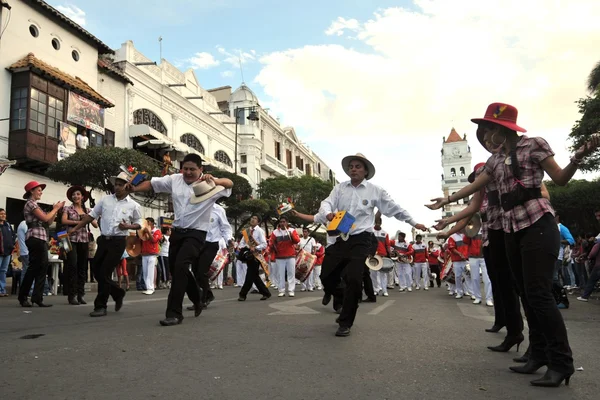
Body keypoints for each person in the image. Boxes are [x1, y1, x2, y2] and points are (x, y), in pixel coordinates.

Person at [428, 102, 600, 387]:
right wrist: (446, 201)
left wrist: (578, 158)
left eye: (490, 130)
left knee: (539, 293)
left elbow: (560, 178)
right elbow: (477, 189)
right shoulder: (496, 159)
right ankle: (538, 353)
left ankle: (561, 362)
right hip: (510, 229)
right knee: (526, 293)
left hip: (537, 223)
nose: (487, 136)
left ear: (503, 128)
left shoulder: (534, 144)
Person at [314, 153, 427, 337]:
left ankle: (345, 322)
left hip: (362, 238)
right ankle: (338, 295)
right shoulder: (339, 189)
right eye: (351, 166)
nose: (354, 169)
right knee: (327, 276)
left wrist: (414, 223)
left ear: (365, 171)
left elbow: (394, 208)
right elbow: (326, 203)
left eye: (358, 166)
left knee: (354, 278)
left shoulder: (375, 191)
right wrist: (327, 213)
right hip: (340, 237)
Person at [127, 154, 233, 326]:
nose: (188, 172)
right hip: (177, 232)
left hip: (197, 234)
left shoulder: (209, 185)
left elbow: (230, 184)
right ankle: (198, 298)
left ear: (201, 170)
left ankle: (174, 313)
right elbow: (152, 184)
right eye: (186, 169)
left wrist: (216, 179)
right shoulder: (174, 179)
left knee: (181, 267)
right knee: (177, 270)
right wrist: (133, 189)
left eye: (193, 169)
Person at [71, 172, 142, 317]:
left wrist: (127, 227)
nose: (117, 187)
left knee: (104, 272)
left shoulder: (134, 205)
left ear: (127, 186)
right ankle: (117, 292)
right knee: (97, 269)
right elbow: (91, 216)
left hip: (118, 242)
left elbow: (140, 225)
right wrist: (75, 228)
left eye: (120, 184)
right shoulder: (105, 200)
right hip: (104, 240)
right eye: (115, 184)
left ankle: (101, 306)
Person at [18, 182, 65, 307]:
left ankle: (37, 297)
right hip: (35, 237)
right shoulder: (30, 203)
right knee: (34, 267)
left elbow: (48, 221)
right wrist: (55, 208)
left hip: (41, 237)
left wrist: (55, 210)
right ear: (31, 191)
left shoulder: (35, 205)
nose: (41, 192)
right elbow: (44, 219)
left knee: (42, 267)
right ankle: (23, 296)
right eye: (38, 190)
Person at [190, 203, 232, 308]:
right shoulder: (196, 207)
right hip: (198, 243)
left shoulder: (219, 210)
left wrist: (229, 239)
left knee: (201, 271)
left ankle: (203, 299)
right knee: (195, 271)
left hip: (211, 244)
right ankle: (207, 294)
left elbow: (225, 228)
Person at [61, 185, 98, 305]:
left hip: (84, 240)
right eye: (73, 195)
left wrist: (88, 218)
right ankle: (71, 295)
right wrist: (80, 222)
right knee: (72, 265)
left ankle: (81, 294)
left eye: (78, 194)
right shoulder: (68, 208)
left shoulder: (88, 211)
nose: (75, 196)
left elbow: (95, 225)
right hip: (69, 239)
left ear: (82, 197)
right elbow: (64, 221)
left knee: (83, 267)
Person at [238, 214, 271, 301]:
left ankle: (242, 294)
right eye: (252, 218)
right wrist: (244, 248)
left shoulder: (260, 231)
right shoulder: (246, 231)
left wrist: (255, 248)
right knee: (254, 276)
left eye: (255, 218)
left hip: (256, 256)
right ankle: (266, 293)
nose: (253, 220)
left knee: (250, 275)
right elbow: (242, 243)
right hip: (248, 255)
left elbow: (264, 244)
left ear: (258, 222)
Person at [269, 215, 300, 297]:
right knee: (280, 274)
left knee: (291, 274)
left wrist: (291, 235)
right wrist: (270, 250)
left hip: (290, 256)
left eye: (284, 222)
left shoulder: (292, 230)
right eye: (281, 222)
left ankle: (291, 290)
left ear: (287, 223)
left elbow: (297, 240)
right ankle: (281, 290)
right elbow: (271, 243)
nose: (282, 223)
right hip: (279, 257)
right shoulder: (275, 232)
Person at [139, 217, 162, 295]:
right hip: (144, 254)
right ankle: (147, 287)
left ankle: (151, 288)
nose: (146, 223)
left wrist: (148, 232)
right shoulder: (143, 230)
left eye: (148, 222)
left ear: (152, 223)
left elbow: (154, 240)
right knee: (145, 272)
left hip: (152, 254)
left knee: (150, 272)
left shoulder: (157, 231)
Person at [372, 215, 391, 296]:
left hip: (382, 255)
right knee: (373, 274)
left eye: (379, 222)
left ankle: (384, 290)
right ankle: (375, 289)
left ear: (381, 223)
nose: (377, 224)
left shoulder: (385, 233)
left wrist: (389, 253)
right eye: (376, 222)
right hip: (372, 255)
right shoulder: (370, 231)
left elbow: (387, 245)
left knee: (383, 273)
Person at [0, 208, 15, 297]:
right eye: (1, 214)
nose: (3, 215)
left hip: (7, 252)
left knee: (3, 271)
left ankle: (2, 290)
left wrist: (12, 245)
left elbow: (13, 236)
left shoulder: (8, 225)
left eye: (4, 214)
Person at [298, 227, 317, 292]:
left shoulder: (312, 239)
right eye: (304, 231)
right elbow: (298, 247)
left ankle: (310, 287)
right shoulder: (300, 239)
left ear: (308, 233)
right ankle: (303, 287)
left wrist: (313, 255)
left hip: (309, 257)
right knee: (302, 272)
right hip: (302, 258)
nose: (304, 233)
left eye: (306, 232)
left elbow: (314, 248)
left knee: (310, 273)